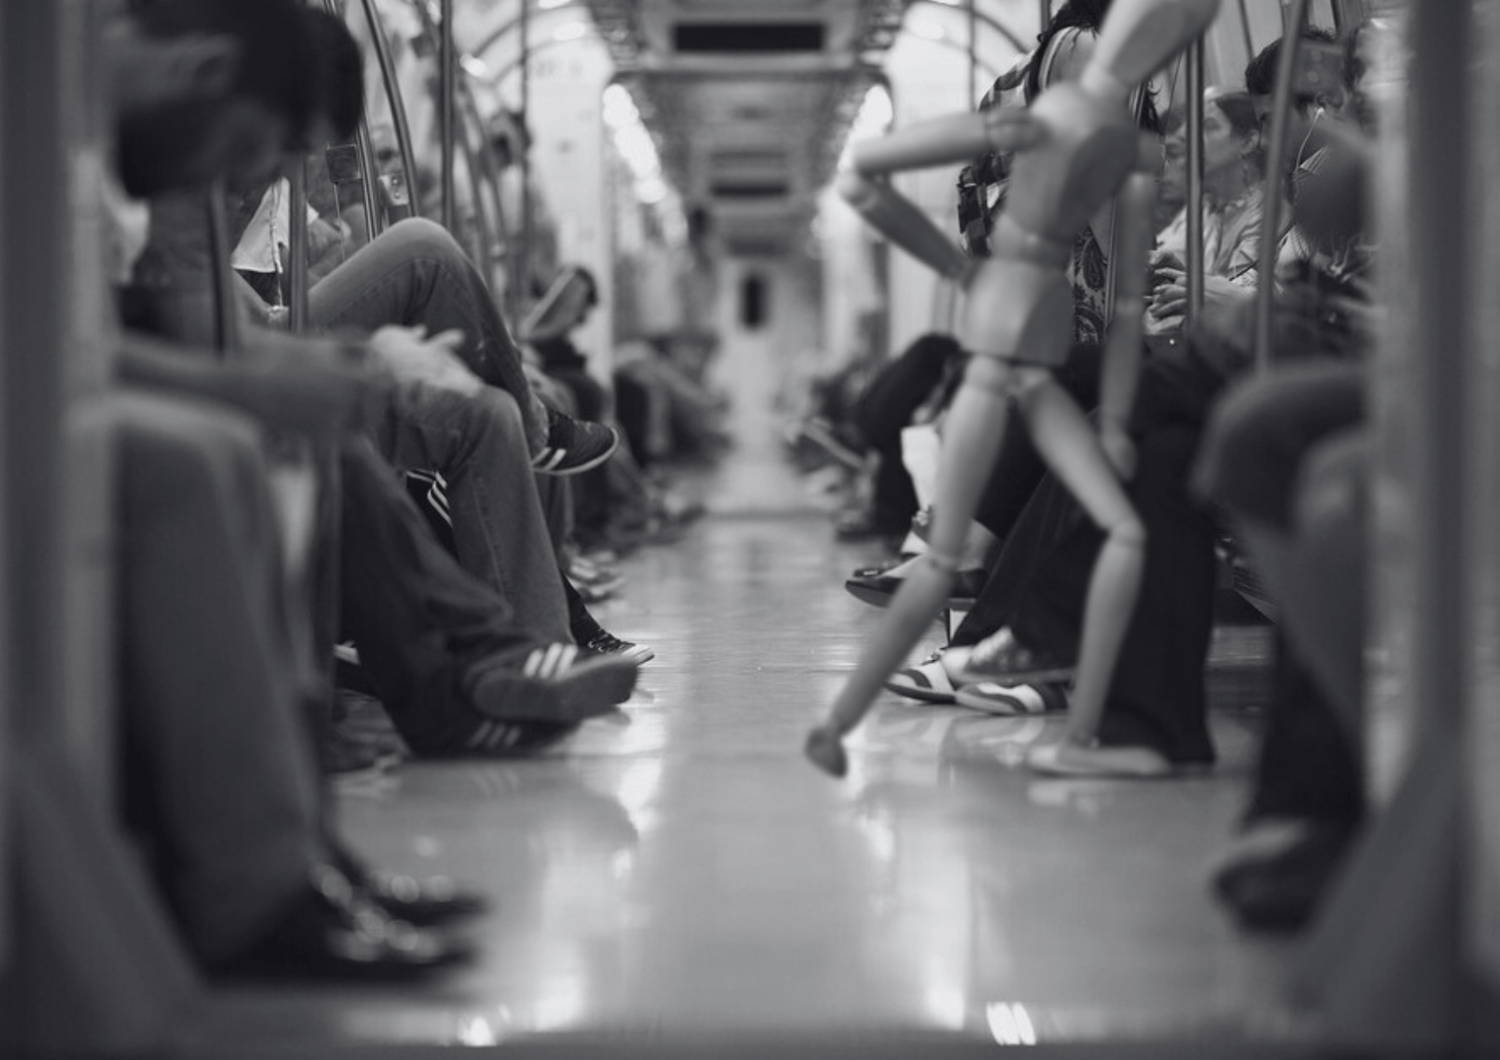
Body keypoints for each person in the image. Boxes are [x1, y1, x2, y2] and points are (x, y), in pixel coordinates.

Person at [104, 0, 636, 978]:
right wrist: (264, 378)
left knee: (485, 414)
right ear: (199, 69)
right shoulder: (123, 156)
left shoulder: (138, 155)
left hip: (218, 342)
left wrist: (352, 354)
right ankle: (459, 681)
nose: (257, 177)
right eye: (265, 151)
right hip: (168, 367)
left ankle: (508, 660)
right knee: (226, 442)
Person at [806, 0, 1221, 780]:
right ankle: (1017, 673)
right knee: (1111, 518)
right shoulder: (1121, 155)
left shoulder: (1072, 145)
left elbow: (867, 182)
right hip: (1031, 360)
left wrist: (963, 267)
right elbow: (1127, 304)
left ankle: (1014, 678)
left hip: (1017, 357)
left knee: (1083, 520)